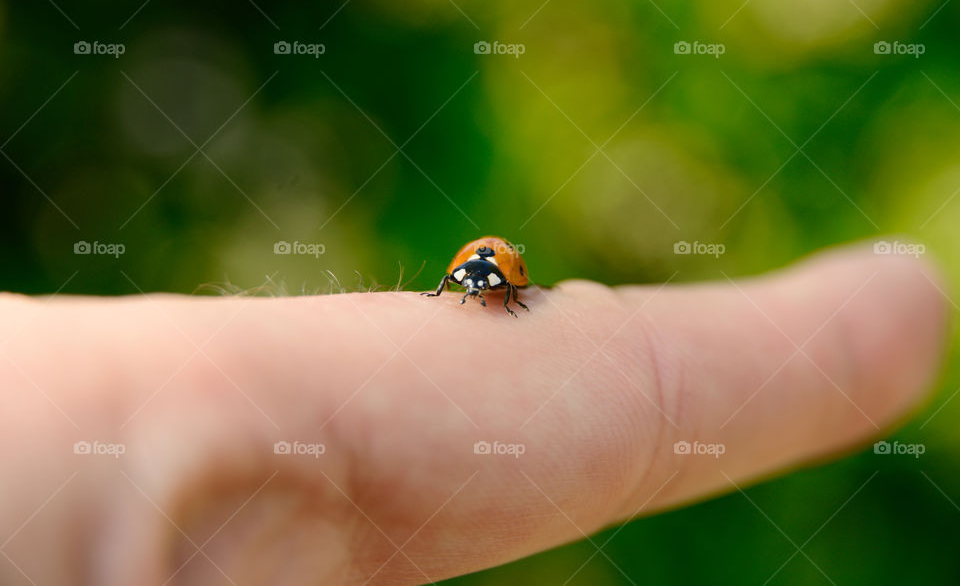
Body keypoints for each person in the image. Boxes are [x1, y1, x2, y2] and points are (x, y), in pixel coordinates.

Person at [0, 242, 947, 584]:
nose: (481, 289)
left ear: (489, 279)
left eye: (482, 284)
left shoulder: (502, 282)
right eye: (478, 284)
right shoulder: (479, 279)